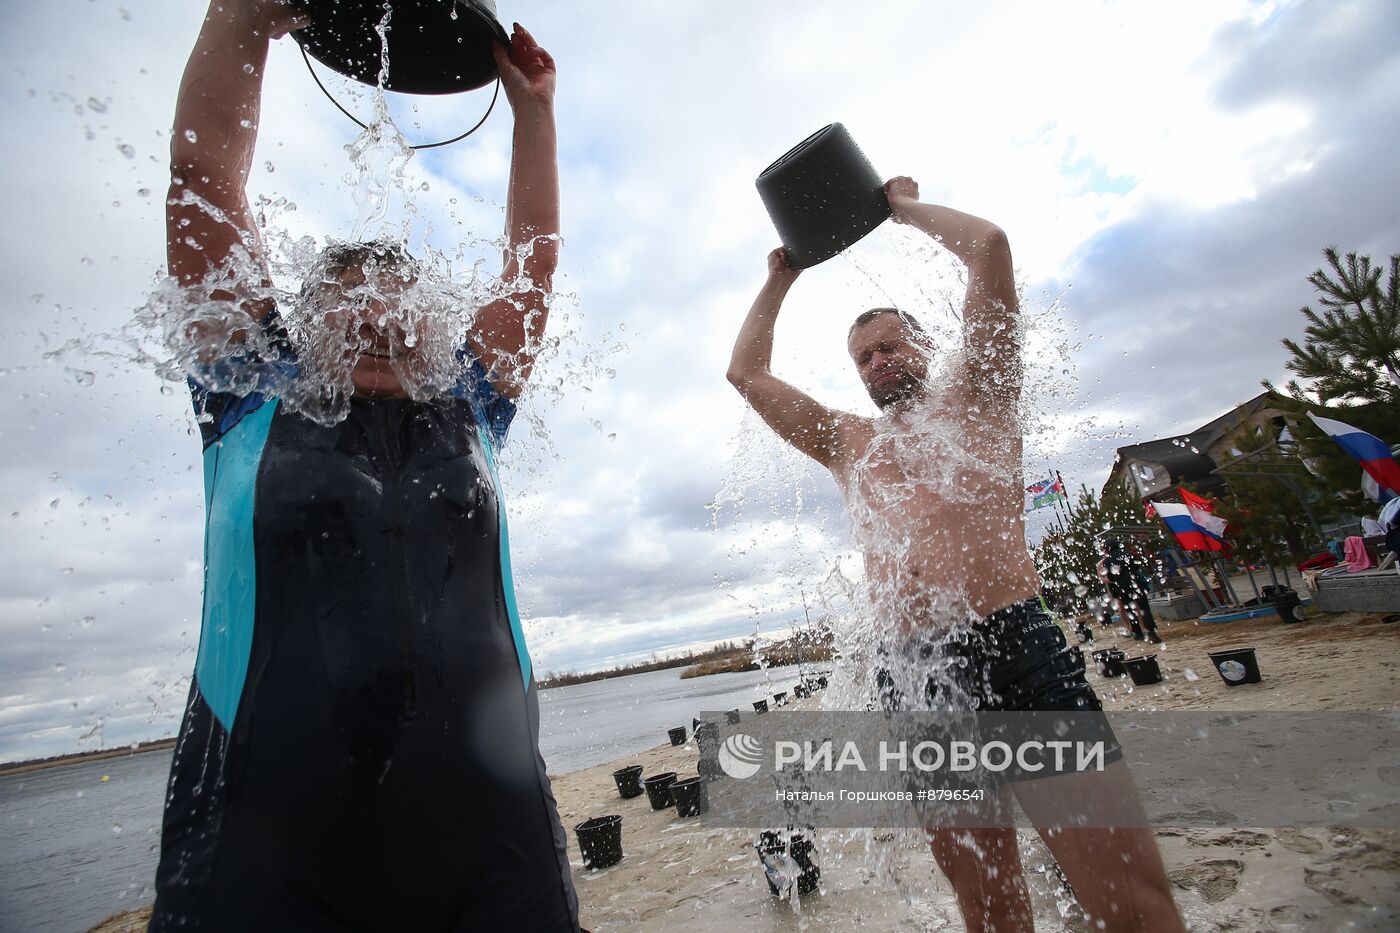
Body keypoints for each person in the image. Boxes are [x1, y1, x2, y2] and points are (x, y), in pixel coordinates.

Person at [151, 2, 579, 930]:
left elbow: (529, 270)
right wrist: (243, 19)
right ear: (305, 324)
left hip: (493, 848)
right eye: (352, 302)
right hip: (261, 849)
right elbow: (203, 178)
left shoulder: (471, 410)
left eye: (404, 301)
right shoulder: (248, 394)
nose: (383, 316)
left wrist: (534, 116)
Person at [727, 177, 1182, 932]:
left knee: (1129, 899)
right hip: (915, 674)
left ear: (925, 344)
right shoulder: (849, 443)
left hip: (1017, 649)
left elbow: (990, 249)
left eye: (890, 344)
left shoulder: (984, 395)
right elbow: (747, 374)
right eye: (864, 356)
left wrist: (900, 210)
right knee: (990, 905)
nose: (877, 362)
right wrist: (782, 276)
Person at [1097, 538, 1163, 642]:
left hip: (1122, 588)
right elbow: (1137, 566)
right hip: (1136, 584)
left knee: (1130, 610)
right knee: (1144, 609)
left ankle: (1138, 633)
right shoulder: (1128, 555)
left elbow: (1111, 577)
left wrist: (1105, 578)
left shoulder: (1107, 561)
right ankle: (1151, 631)